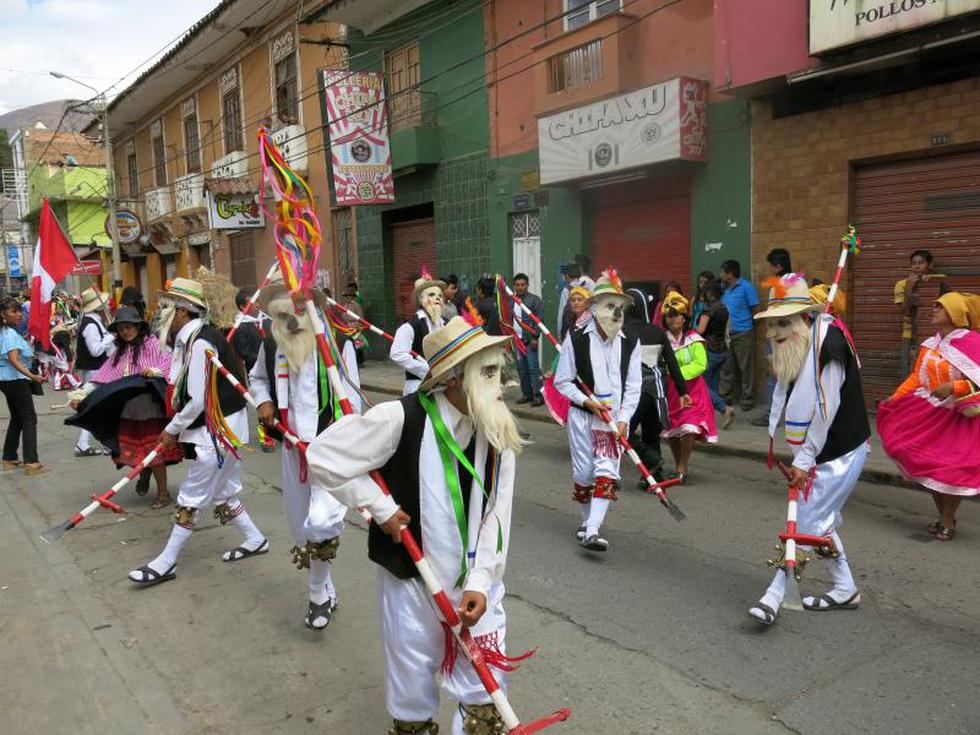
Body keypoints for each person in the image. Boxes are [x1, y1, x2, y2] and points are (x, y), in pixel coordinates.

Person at [306, 315, 526, 735]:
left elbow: (498, 514)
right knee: (411, 693)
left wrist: (481, 581)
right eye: (487, 373)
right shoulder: (399, 418)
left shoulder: (498, 429)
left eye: (498, 371)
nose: (500, 385)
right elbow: (323, 457)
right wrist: (380, 507)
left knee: (485, 695)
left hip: (476, 585)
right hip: (410, 580)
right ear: (455, 379)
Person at [128, 277, 268, 586]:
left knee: (192, 495)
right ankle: (255, 538)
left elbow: (197, 399)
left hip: (217, 434)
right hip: (223, 431)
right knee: (222, 492)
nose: (161, 312)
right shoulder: (192, 339)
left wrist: (171, 429)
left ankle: (167, 561)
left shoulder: (202, 341)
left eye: (167, 306)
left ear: (182, 311)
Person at [747, 274, 870, 626]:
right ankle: (845, 588)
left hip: (838, 452)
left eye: (783, 323)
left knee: (806, 524)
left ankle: (774, 594)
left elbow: (824, 409)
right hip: (818, 452)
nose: (774, 333)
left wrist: (803, 459)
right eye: (772, 325)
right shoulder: (806, 340)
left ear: (804, 318)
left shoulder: (828, 345)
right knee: (819, 522)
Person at [249, 277, 361, 629]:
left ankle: (316, 595)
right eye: (283, 316)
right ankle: (325, 587)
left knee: (322, 521)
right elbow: (258, 379)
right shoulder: (272, 343)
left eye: (297, 313)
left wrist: (352, 443)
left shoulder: (337, 343)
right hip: (292, 449)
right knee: (301, 527)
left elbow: (353, 398)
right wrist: (264, 402)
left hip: (331, 449)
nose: (291, 322)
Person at [877, 292, 980, 541]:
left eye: (940, 307)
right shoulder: (930, 343)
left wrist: (953, 387)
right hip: (927, 412)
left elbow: (976, 381)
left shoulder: (972, 343)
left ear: (955, 313)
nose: (933, 310)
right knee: (925, 465)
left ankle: (947, 519)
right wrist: (896, 396)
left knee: (950, 469)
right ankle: (944, 516)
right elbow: (917, 377)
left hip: (958, 417)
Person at [554, 269, 641, 552]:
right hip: (582, 417)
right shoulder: (576, 338)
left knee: (606, 471)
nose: (616, 313)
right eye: (610, 306)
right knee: (584, 473)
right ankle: (586, 521)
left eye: (620, 308)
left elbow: (634, 386)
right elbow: (562, 381)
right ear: (594, 308)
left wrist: (624, 418)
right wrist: (586, 401)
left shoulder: (631, 341)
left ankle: (593, 529)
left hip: (612, 421)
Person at [76, 305, 181, 508]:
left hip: (150, 408)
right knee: (136, 449)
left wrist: (157, 371)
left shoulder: (154, 344)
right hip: (129, 409)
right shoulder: (121, 351)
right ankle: (145, 473)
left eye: (128, 327)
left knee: (154, 451)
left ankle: (163, 493)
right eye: (121, 328)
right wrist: (82, 393)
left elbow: (170, 363)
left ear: (138, 326)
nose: (125, 332)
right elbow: (104, 375)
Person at [624, 287, 689, 486]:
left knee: (622, 432)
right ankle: (654, 476)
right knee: (651, 433)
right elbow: (672, 363)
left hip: (634, 391)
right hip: (658, 392)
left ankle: (650, 458)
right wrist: (683, 391)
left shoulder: (622, 332)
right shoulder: (658, 331)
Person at [660, 292, 718, 481]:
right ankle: (679, 465)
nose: (673, 319)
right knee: (672, 431)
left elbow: (700, 364)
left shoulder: (694, 339)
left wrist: (675, 373)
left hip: (693, 392)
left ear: (684, 318)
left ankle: (682, 467)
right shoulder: (661, 340)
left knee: (689, 426)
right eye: (669, 316)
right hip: (670, 392)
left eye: (677, 315)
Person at [0, 298, 47, 476]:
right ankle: (31, 462)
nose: (19, 314)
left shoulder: (6, 331)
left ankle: (9, 457)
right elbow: (13, 360)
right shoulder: (10, 335)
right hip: (16, 379)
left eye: (19, 310)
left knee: (17, 418)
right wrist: (32, 376)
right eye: (14, 311)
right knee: (29, 419)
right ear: (3, 314)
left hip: (7, 380)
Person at [751, 249, 795, 426]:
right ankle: (795, 414)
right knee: (794, 376)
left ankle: (772, 414)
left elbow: (776, 314)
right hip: (795, 336)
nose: (769, 269)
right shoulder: (798, 282)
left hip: (779, 336)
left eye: (770, 266)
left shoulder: (779, 285)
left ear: (777, 266)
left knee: (774, 376)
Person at [74, 287, 115, 456]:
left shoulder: (94, 321)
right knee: (101, 406)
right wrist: (111, 336)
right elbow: (95, 350)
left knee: (96, 407)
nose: (107, 304)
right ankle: (105, 442)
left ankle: (83, 444)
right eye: (104, 302)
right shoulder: (90, 324)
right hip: (96, 371)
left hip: (98, 370)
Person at [391, 269, 446, 395]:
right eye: (431, 294)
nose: (437, 298)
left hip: (443, 386)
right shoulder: (410, 326)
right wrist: (424, 370)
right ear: (421, 299)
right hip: (418, 386)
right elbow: (397, 354)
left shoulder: (445, 324)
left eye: (440, 295)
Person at [718, 259, 759, 413]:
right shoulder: (724, 290)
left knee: (746, 368)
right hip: (727, 335)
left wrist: (750, 328)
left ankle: (747, 400)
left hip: (743, 333)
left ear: (730, 273)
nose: (720, 275)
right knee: (726, 367)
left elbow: (756, 309)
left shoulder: (746, 287)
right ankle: (725, 398)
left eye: (722, 272)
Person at [696, 279, 735, 428]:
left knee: (701, 384)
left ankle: (725, 409)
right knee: (712, 386)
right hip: (722, 350)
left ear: (710, 293)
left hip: (709, 350)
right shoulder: (724, 308)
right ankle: (708, 418)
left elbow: (701, 330)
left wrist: (689, 332)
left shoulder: (709, 309)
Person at [894, 249, 939, 376]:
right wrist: (909, 287)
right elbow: (905, 312)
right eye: (914, 263)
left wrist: (931, 283)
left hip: (933, 335)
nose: (917, 266)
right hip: (909, 335)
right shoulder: (901, 284)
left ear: (930, 265)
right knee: (908, 372)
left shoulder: (936, 281)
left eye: (921, 263)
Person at [512, 273, 544, 406]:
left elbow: (539, 320)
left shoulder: (535, 300)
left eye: (523, 285)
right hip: (516, 340)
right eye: (517, 285)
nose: (520, 287)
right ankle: (527, 394)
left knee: (533, 368)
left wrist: (535, 338)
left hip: (530, 341)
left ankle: (538, 396)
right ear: (514, 286)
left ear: (527, 285)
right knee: (521, 369)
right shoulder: (511, 300)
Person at [556, 262, 596, 334]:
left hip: (572, 328)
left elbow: (562, 313)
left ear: (567, 276)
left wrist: (560, 333)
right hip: (589, 327)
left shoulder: (566, 291)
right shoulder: (589, 286)